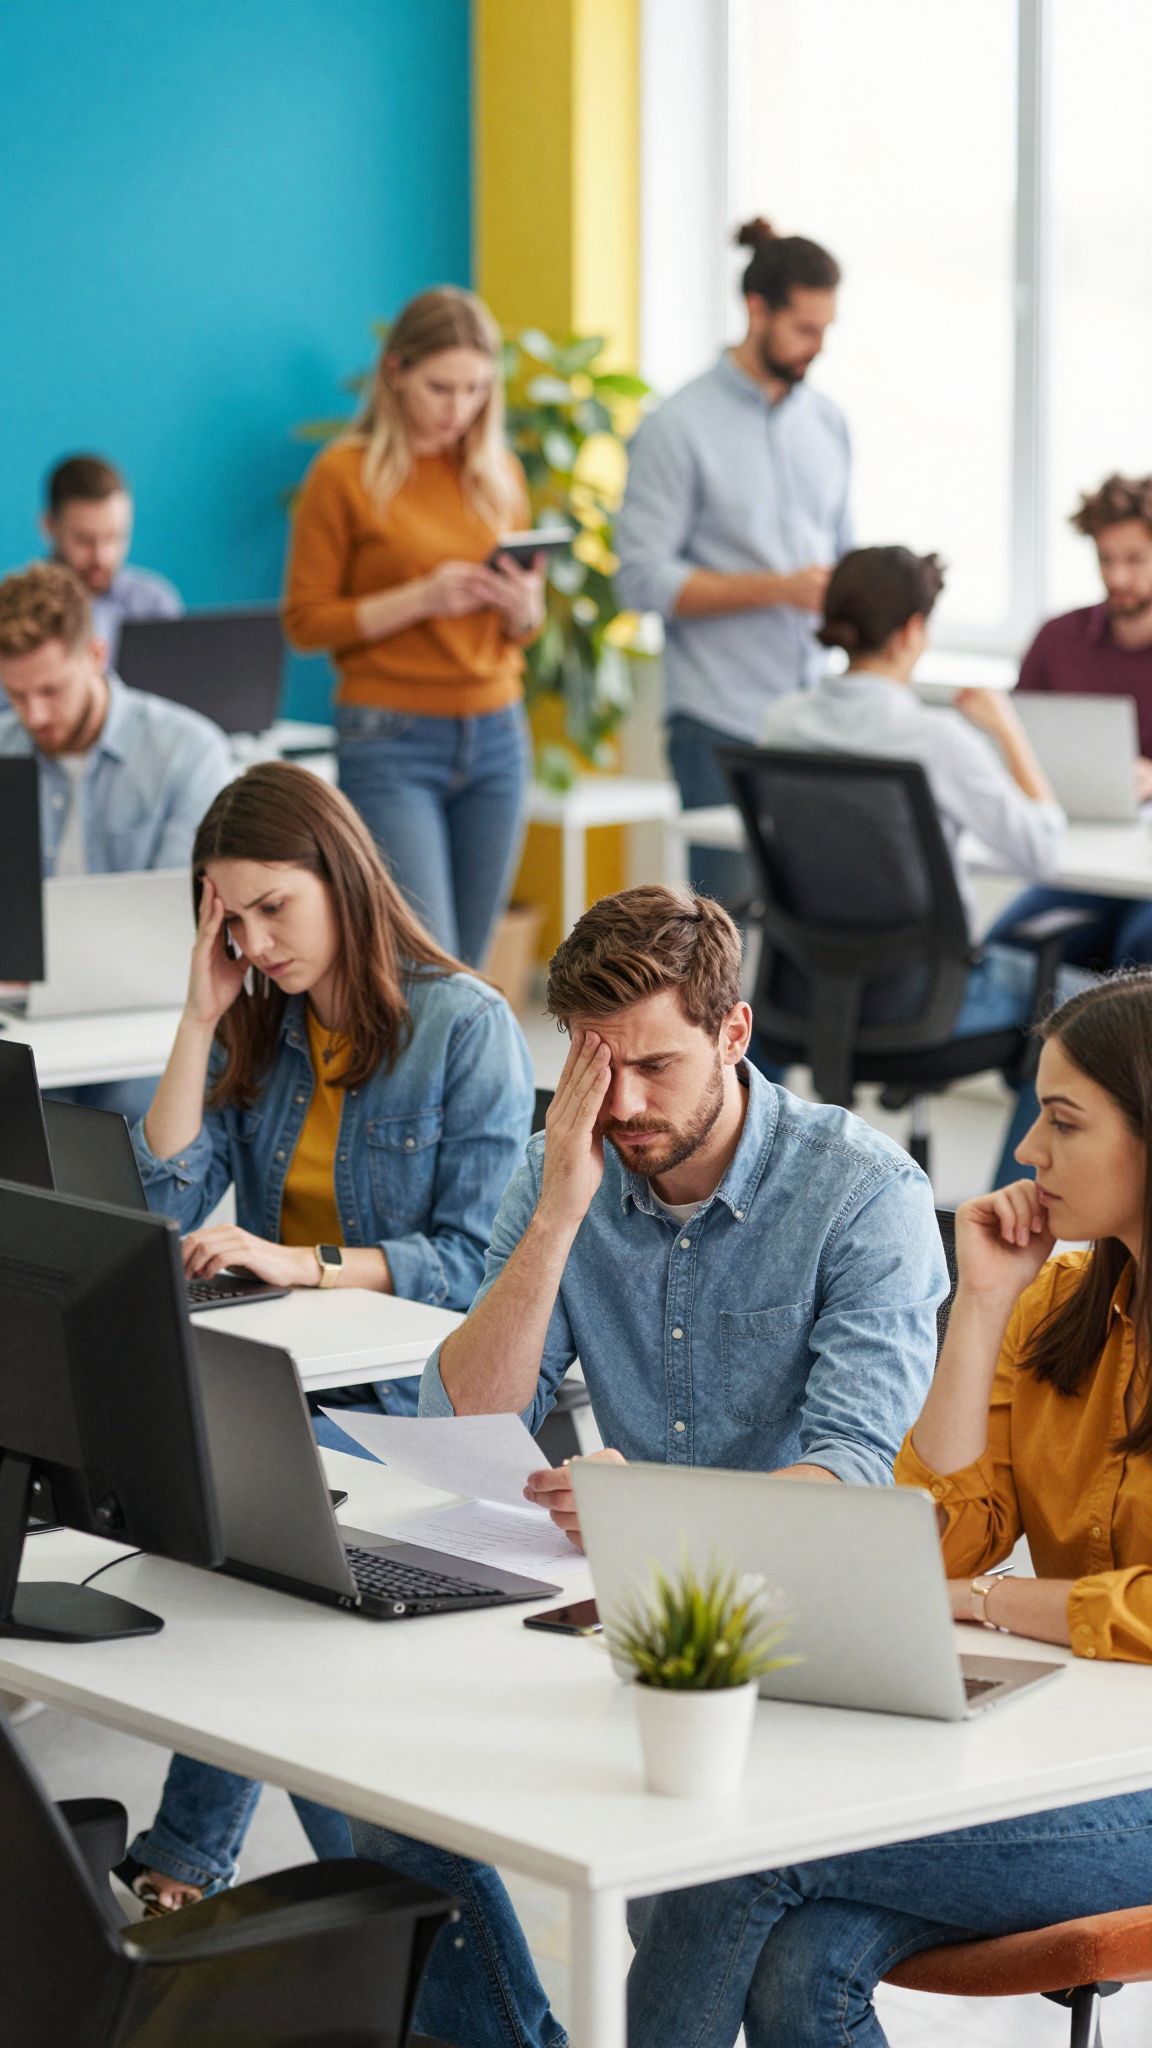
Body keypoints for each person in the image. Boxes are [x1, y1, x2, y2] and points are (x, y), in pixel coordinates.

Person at [329, 884, 944, 2045]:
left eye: (655, 1065)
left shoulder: (864, 1193)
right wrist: (557, 1216)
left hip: (798, 1633)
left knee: (710, 1928)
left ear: (734, 1031)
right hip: (613, 1606)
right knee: (390, 1805)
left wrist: (647, 1514)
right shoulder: (565, 1164)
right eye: (593, 1064)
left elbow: (855, 1471)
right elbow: (464, 1416)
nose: (621, 1104)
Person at [625, 970, 1152, 2048]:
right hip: (1068, 1742)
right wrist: (983, 1307)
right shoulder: (1060, 1301)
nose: (1027, 1151)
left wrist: (993, 1602)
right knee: (800, 1969)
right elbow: (936, 1541)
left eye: (1063, 1122)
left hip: (1135, 1784)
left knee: (733, 1856)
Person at [116, 759, 537, 1960]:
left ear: (342, 877)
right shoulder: (265, 1019)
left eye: (273, 907)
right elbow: (164, 1201)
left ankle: (180, 1870)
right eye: (232, 919)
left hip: (408, 1399)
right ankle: (195, 1877)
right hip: (283, 1375)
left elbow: (477, 1262)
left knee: (256, 1558)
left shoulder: (464, 1026)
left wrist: (303, 1263)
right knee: (211, 1518)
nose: (256, 941)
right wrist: (199, 1017)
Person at [759, 544, 1083, 1185]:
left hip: (808, 988)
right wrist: (1009, 732)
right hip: (923, 999)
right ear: (912, 630)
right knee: (1083, 1008)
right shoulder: (936, 740)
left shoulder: (781, 722)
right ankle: (1010, 1217)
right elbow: (1043, 851)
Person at [283, 285, 544, 965]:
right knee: (424, 967)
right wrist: (421, 598)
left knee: (470, 971)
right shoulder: (342, 474)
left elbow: (520, 630)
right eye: (441, 388)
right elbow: (306, 622)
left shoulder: (498, 474)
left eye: (476, 390)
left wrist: (524, 609)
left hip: (497, 734)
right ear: (395, 372)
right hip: (391, 739)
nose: (458, 409)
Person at [615, 218, 851, 906]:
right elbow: (639, 578)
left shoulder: (828, 423)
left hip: (813, 718)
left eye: (826, 329)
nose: (818, 346)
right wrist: (777, 588)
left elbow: (841, 555)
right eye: (804, 328)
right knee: (723, 931)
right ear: (757, 310)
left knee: (810, 923)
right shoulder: (677, 427)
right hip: (719, 720)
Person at [0, 561, 232, 1120]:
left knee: (128, 1119)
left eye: (51, 690)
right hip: (23, 1014)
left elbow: (182, 919)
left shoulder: (188, 751)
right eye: (16, 694)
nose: (34, 714)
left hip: (145, 1014)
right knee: (22, 1119)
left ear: (97, 655)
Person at [988, 473, 1152, 970]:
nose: (1117, 577)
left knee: (1138, 955)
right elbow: (1017, 747)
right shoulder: (1059, 639)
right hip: (1081, 860)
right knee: (1004, 948)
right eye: (1106, 559)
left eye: (1135, 560)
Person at [42, 453, 182, 663]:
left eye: (113, 537)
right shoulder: (16, 614)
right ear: (49, 526)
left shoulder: (154, 603)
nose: (101, 556)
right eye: (84, 540)